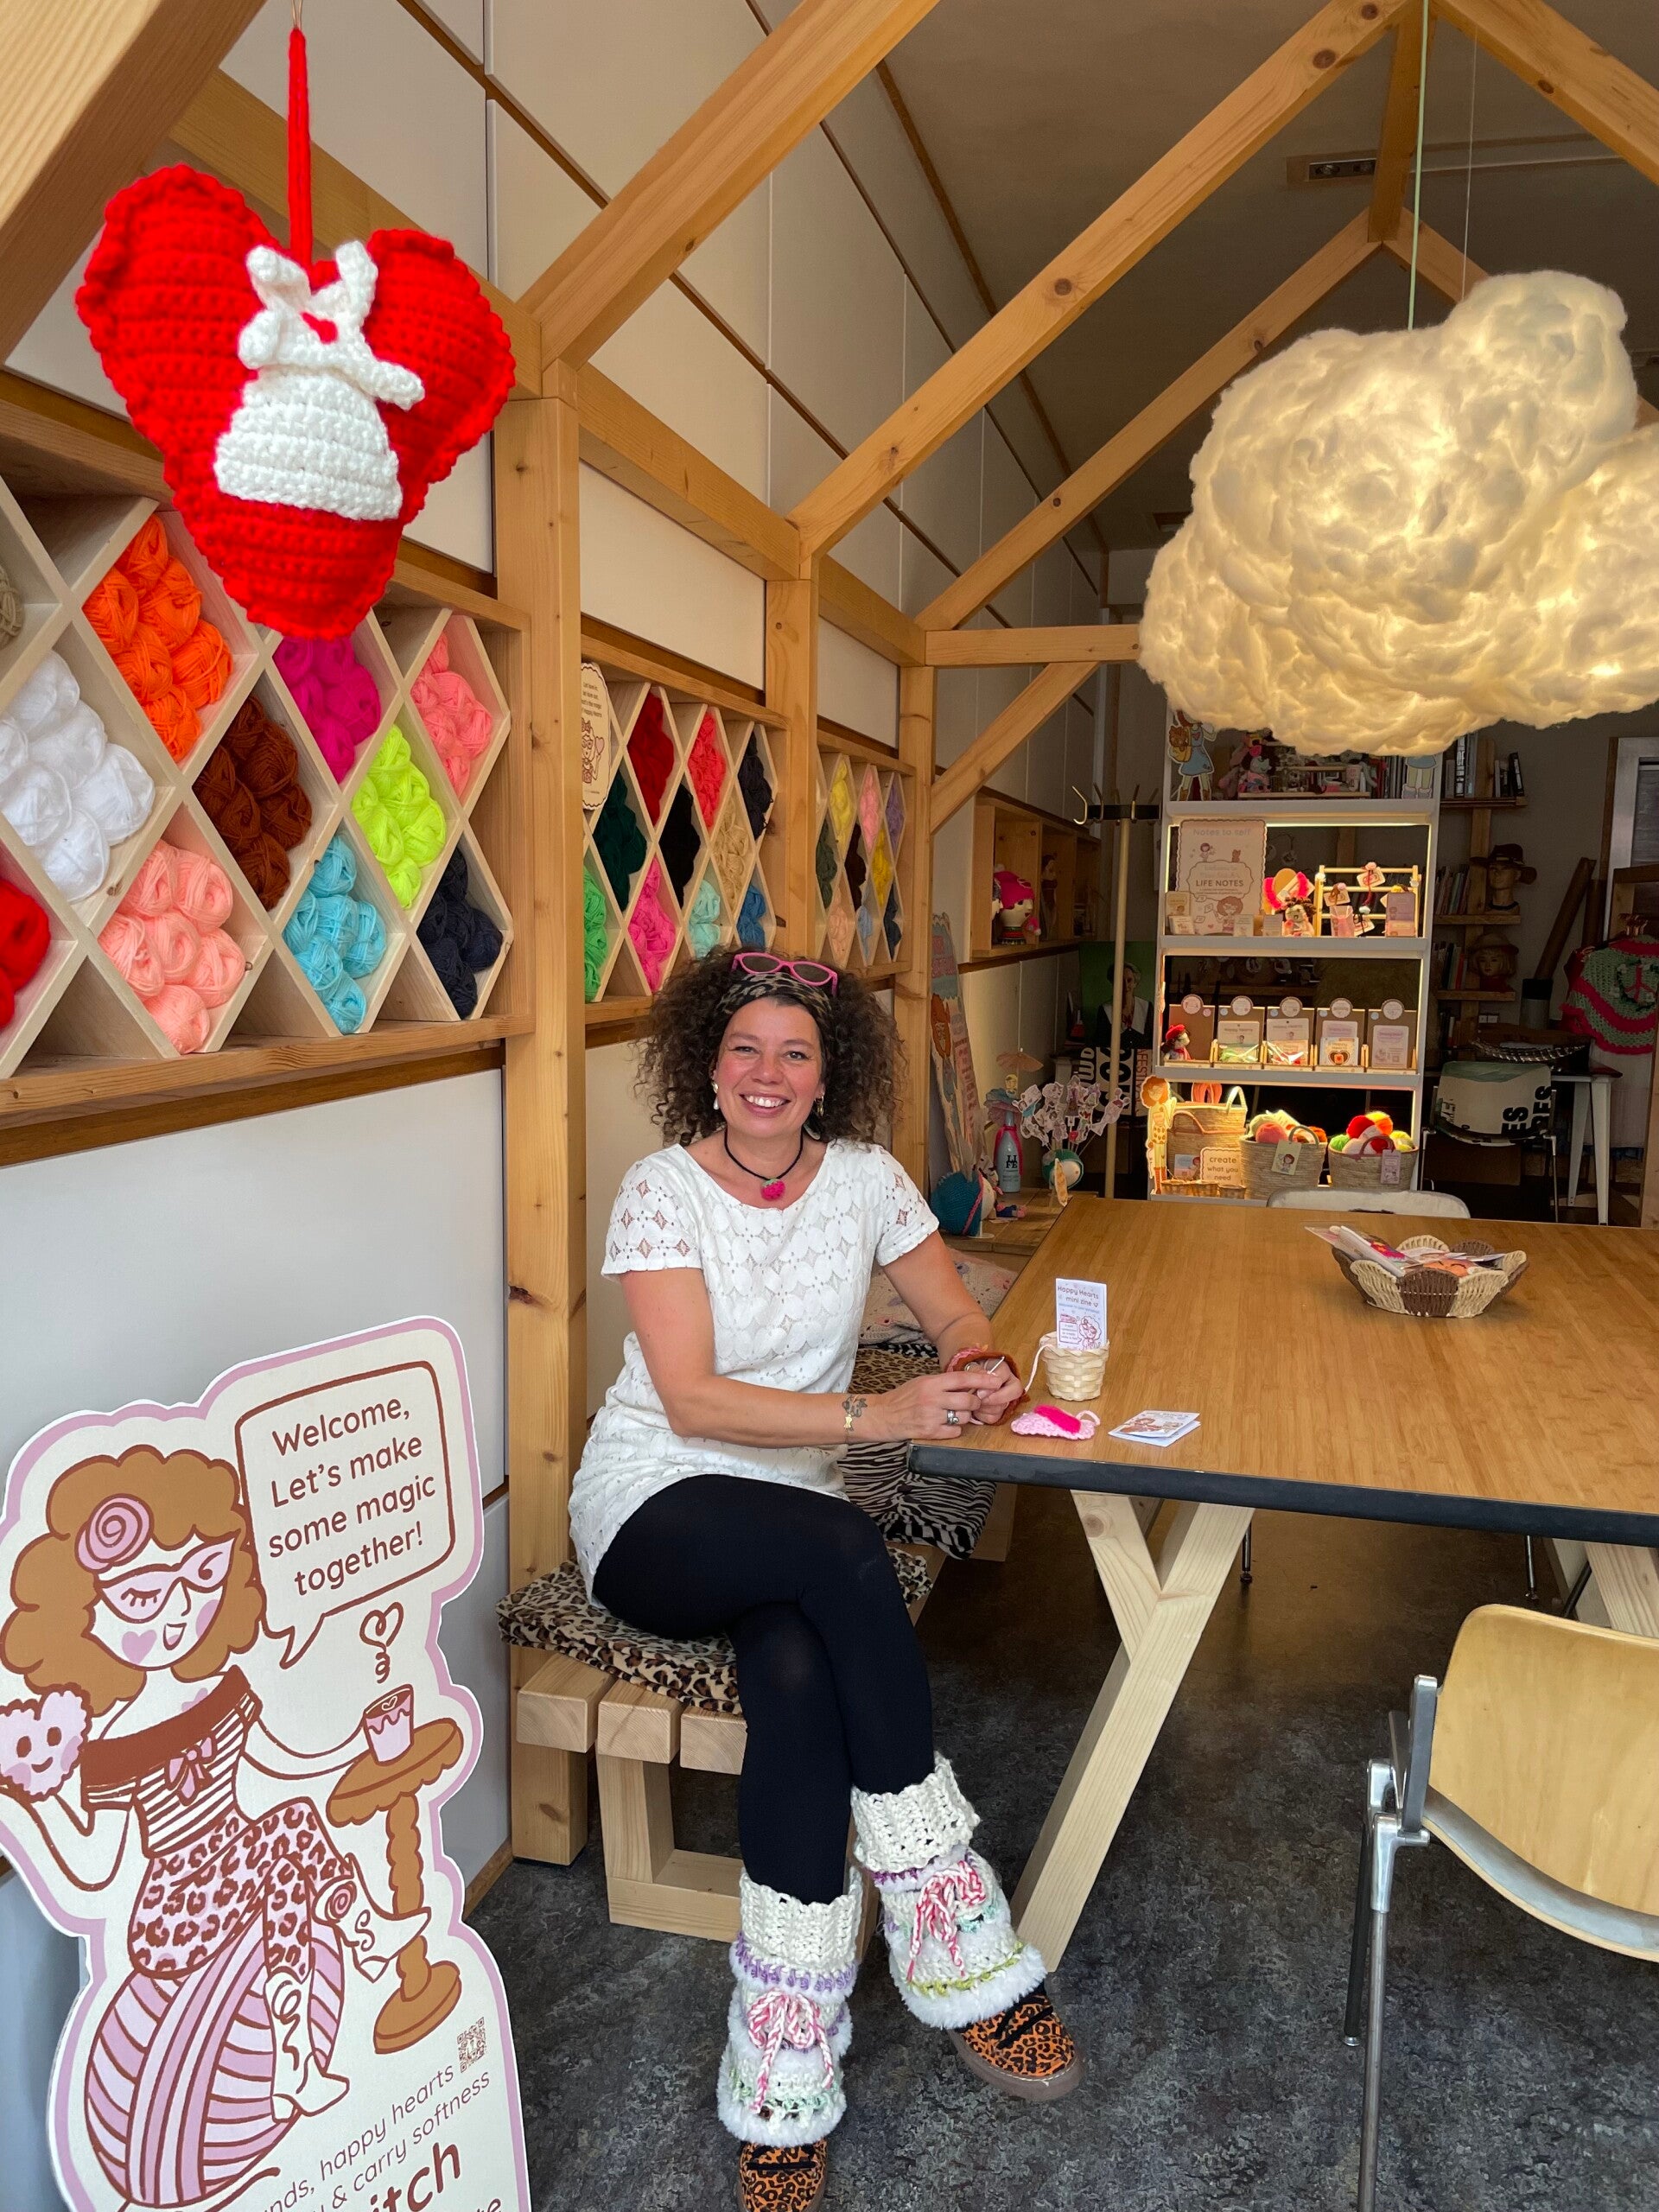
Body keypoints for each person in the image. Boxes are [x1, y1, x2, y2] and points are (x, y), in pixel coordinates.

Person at [573, 947, 1081, 2212]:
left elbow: (951, 1311)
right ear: (706, 1063)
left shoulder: (866, 1181)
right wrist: (878, 1415)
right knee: (850, 1549)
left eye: (794, 1052)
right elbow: (692, 1400)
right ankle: (948, 1915)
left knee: (798, 1677)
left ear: (826, 1073)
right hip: (657, 1506)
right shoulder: (660, 1191)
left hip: (792, 1527)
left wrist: (975, 1361)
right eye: (745, 1048)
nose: (768, 1072)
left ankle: (781, 2065)